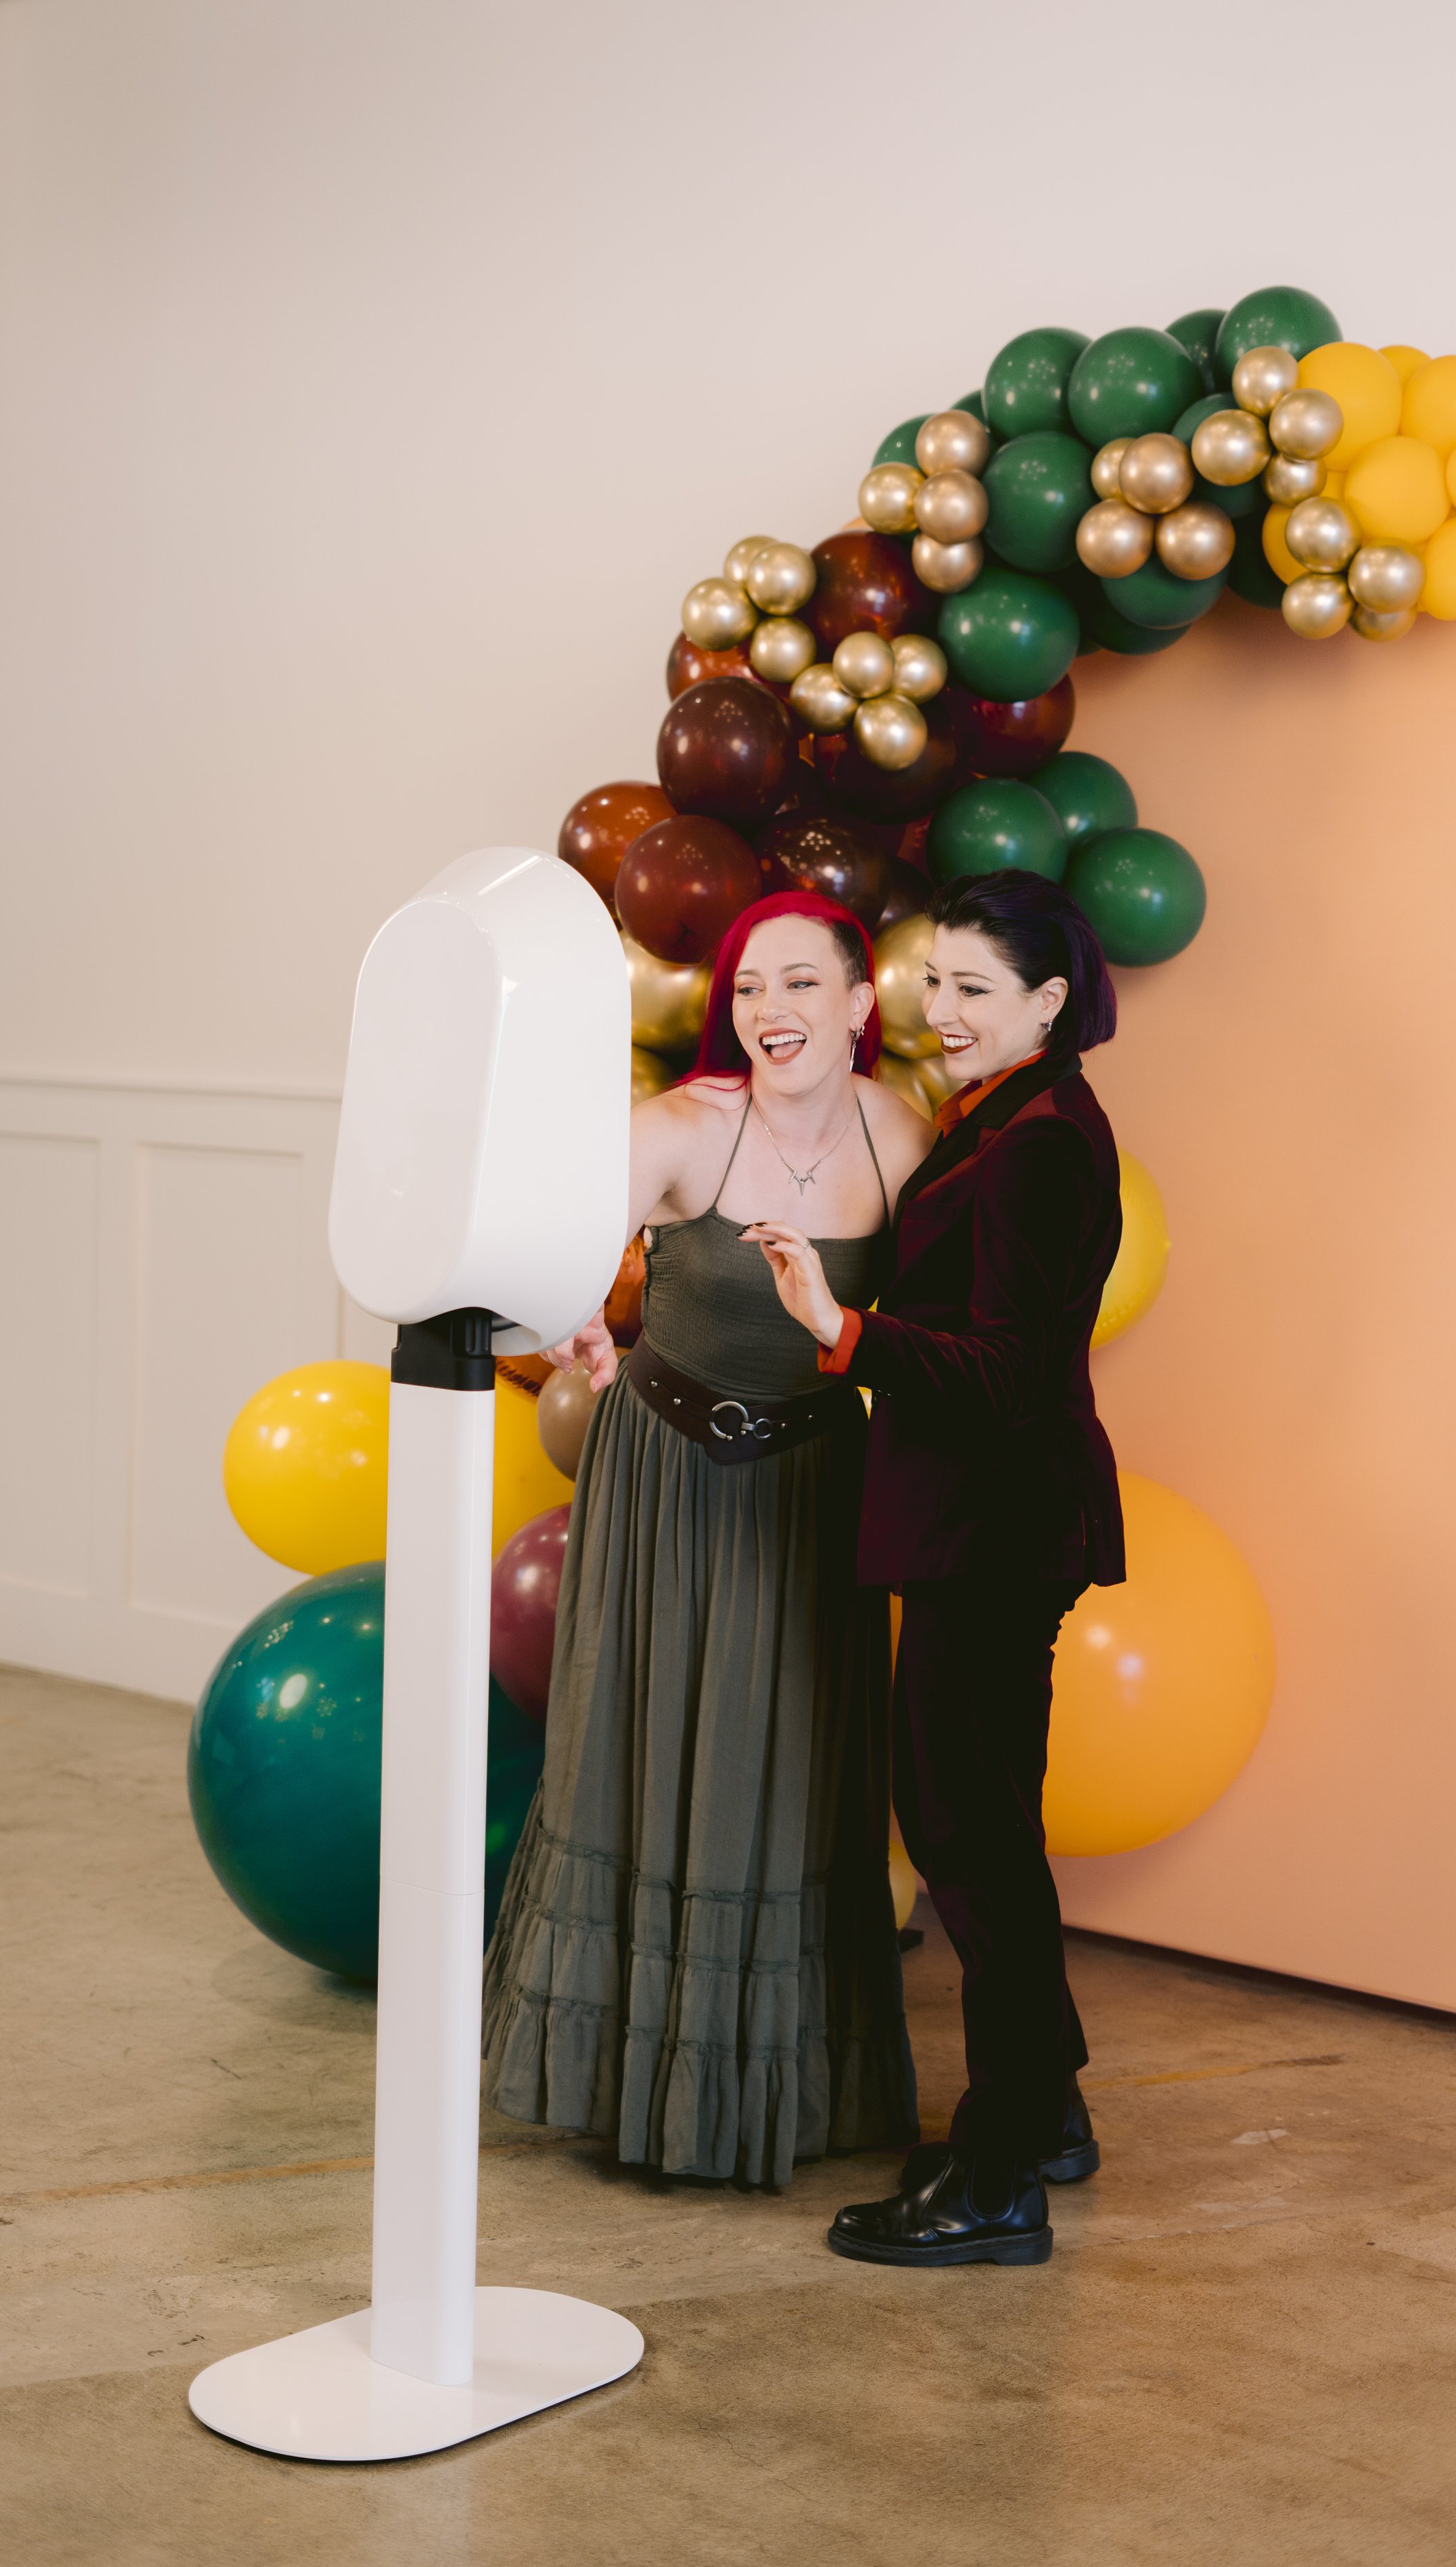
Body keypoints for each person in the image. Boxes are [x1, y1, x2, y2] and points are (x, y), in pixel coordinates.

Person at [482, 889, 935, 2188]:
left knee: (787, 1761)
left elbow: (939, 1322)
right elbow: (543, 1264)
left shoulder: (903, 1135)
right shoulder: (681, 1127)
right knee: (655, 1751)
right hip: (669, 1476)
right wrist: (574, 1318)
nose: (769, 1011)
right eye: (748, 987)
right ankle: (636, 2084)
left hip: (814, 1487)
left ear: (860, 1001)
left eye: (800, 984)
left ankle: (783, 2088)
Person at [747, 868, 1125, 2266]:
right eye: (933, 983)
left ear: (1045, 1000)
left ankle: (997, 2178)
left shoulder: (1040, 1141)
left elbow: (1010, 1370)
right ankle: (1046, 2114)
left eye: (975, 990)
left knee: (965, 1837)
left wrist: (838, 1331)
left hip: (994, 1528)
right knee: (980, 1832)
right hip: (981, 1525)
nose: (942, 1011)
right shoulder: (1012, 1117)